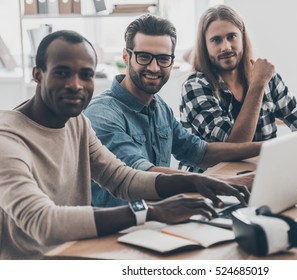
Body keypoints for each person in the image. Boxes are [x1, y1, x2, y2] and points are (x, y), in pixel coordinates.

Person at [0, 30, 251, 259]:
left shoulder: (77, 123)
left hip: (80, 251)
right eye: (62, 72)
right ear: (37, 74)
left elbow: (122, 179)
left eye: (86, 75)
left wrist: (194, 181)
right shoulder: (7, 138)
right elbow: (44, 223)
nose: (76, 85)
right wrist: (149, 212)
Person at [84, 14, 261, 208]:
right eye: (144, 57)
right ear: (126, 57)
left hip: (159, 219)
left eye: (163, 59)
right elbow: (139, 175)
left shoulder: (159, 106)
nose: (154, 67)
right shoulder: (102, 114)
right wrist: (226, 182)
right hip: (116, 229)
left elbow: (198, 151)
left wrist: (266, 148)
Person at [179, 4, 297, 171]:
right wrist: (258, 85)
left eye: (232, 36)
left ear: (243, 38)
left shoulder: (267, 76)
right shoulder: (195, 86)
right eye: (216, 40)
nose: (226, 47)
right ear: (205, 45)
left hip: (263, 176)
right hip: (211, 185)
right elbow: (235, 148)